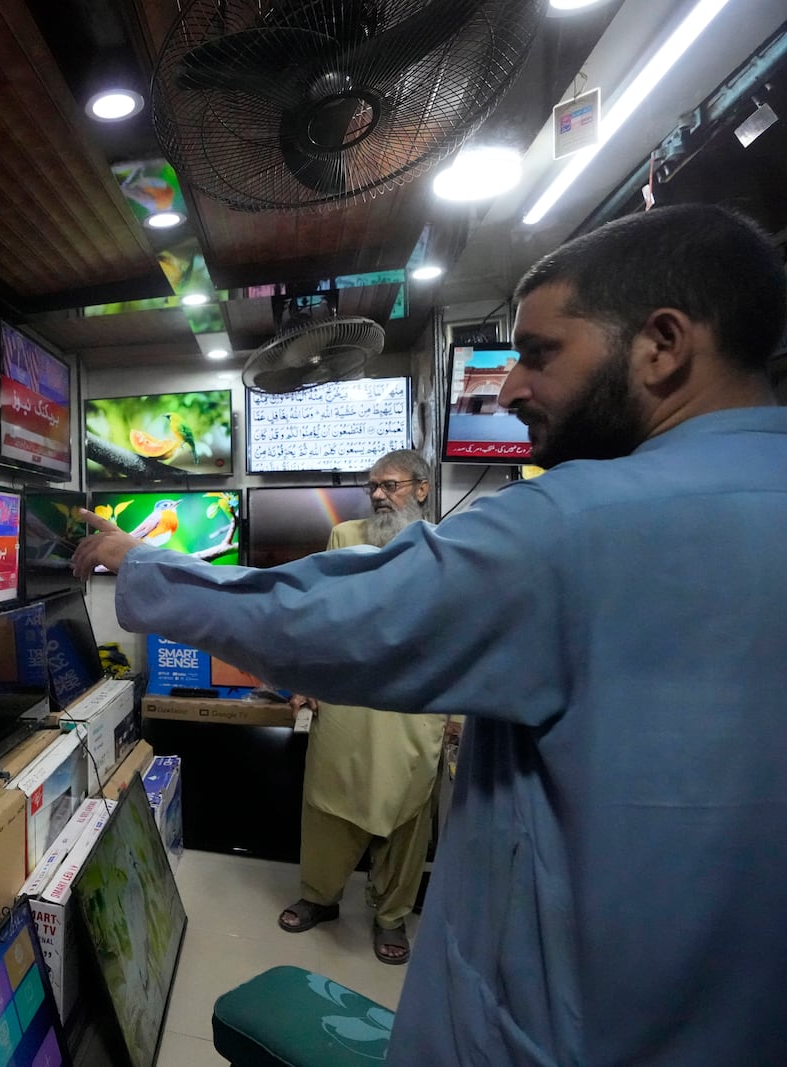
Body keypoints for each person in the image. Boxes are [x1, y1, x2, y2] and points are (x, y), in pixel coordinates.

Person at [71, 204, 787, 1065]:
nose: (511, 387)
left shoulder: (575, 523)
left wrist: (138, 565)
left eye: (540, 352)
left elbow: (324, 615)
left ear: (662, 345)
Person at [278, 449, 450, 966]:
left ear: (421, 488)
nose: (377, 495)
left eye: (390, 485)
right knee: (329, 798)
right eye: (371, 485)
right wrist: (303, 680)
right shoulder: (344, 538)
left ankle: (391, 915)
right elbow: (320, 617)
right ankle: (319, 897)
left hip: (414, 702)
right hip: (347, 694)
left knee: (408, 809)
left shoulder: (448, 547)